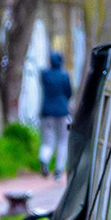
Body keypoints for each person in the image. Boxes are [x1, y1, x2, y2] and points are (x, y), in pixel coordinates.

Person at [38, 51, 73, 179]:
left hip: (46, 112)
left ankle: (44, 158)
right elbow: (69, 92)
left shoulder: (44, 75)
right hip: (62, 111)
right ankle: (58, 170)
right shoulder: (64, 76)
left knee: (47, 141)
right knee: (63, 141)